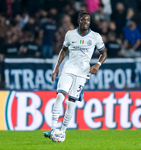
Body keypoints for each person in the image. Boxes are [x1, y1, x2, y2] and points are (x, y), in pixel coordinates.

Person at [43, 10, 107, 139]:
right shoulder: (70, 34)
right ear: (79, 21)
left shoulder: (95, 36)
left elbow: (104, 53)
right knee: (60, 96)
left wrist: (98, 65)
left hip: (83, 73)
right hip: (68, 69)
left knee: (71, 102)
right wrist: (56, 68)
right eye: (83, 19)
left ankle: (63, 131)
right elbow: (64, 49)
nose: (85, 22)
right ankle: (53, 129)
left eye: (88, 20)